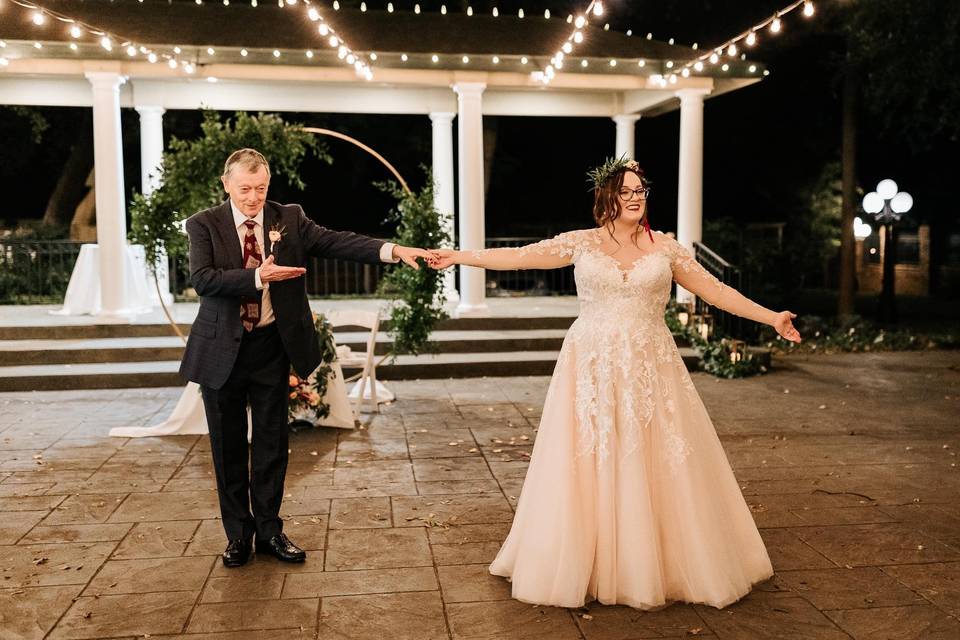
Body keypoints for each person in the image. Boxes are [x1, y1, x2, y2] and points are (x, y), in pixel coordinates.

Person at [426, 157, 801, 610]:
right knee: (590, 457)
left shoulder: (665, 249)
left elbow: (716, 291)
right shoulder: (583, 243)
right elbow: (519, 256)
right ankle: (587, 558)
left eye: (641, 190)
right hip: (591, 363)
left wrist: (771, 317)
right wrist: (460, 257)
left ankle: (654, 562)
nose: (636, 197)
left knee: (652, 457)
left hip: (650, 366)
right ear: (606, 198)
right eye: (627, 191)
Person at [180, 148, 434, 568]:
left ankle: (270, 532)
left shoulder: (288, 218)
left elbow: (339, 241)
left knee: (272, 445)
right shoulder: (204, 224)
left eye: (260, 188)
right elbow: (202, 279)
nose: (253, 197)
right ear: (226, 184)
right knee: (227, 448)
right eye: (244, 188)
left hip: (270, 348)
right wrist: (259, 275)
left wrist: (393, 249)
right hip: (221, 349)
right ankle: (237, 538)